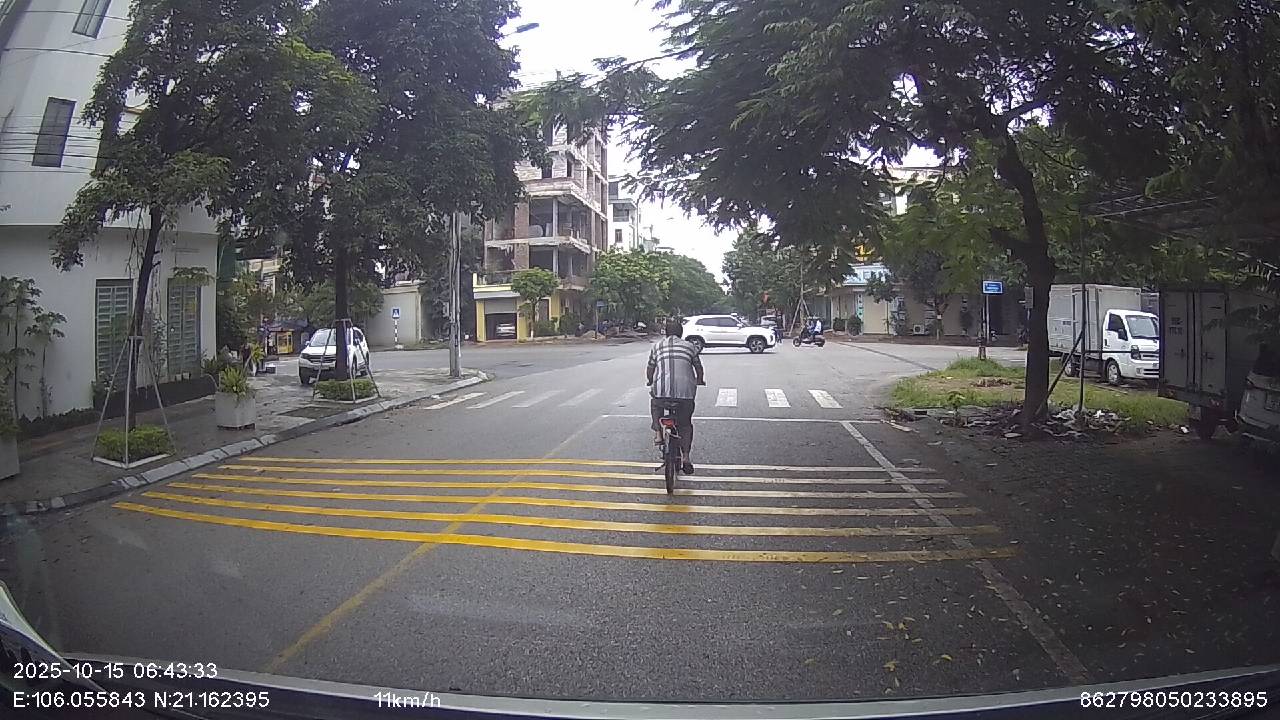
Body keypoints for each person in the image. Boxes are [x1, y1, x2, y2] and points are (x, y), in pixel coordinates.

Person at [646, 319, 704, 474]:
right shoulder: (690, 347)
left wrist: (650, 381)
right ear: (681, 333)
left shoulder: (657, 346)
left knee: (655, 404)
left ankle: (658, 433)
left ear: (665, 333)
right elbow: (698, 367)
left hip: (661, 394)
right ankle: (686, 457)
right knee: (685, 425)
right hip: (685, 395)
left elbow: (650, 369)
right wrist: (700, 380)